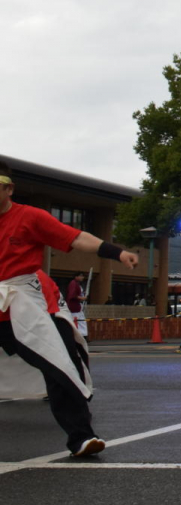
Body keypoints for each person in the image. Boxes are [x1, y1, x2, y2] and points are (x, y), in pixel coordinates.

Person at [0, 159, 138, 456]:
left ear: (8, 188)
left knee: (58, 366)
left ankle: (81, 438)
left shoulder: (30, 217)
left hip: (20, 305)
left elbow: (76, 238)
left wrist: (116, 252)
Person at [66, 271, 88, 340]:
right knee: (77, 322)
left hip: (78, 307)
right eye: (81, 276)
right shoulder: (73, 283)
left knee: (81, 321)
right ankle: (77, 336)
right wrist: (82, 298)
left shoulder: (77, 284)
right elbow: (72, 295)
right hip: (74, 307)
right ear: (76, 277)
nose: (82, 277)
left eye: (82, 276)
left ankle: (83, 335)